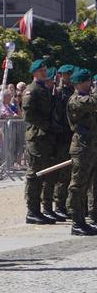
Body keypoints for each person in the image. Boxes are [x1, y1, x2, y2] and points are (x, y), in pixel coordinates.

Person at [22, 59, 58, 224]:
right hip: (37, 137)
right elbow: (28, 114)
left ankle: (41, 210)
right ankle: (32, 211)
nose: (44, 72)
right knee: (34, 174)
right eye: (42, 70)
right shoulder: (32, 90)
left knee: (45, 174)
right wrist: (46, 126)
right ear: (34, 72)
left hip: (46, 137)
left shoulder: (44, 89)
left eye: (45, 69)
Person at [65, 68, 97, 235]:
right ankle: (76, 222)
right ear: (79, 83)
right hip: (81, 148)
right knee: (78, 186)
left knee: (88, 185)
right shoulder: (76, 100)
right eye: (87, 81)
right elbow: (93, 103)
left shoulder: (87, 97)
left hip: (91, 147)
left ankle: (85, 219)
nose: (90, 83)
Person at [53, 64, 74, 219]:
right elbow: (56, 115)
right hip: (62, 137)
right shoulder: (58, 93)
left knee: (71, 173)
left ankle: (67, 204)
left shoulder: (72, 91)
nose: (69, 77)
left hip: (71, 135)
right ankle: (59, 205)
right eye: (67, 74)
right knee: (62, 174)